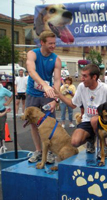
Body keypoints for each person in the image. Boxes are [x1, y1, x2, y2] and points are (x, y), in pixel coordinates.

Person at [55, 64, 107, 156]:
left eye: (85, 76)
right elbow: (73, 105)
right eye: (82, 75)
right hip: (86, 120)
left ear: (94, 77)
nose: (81, 78)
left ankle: (103, 146)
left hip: (102, 122)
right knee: (75, 142)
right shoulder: (81, 86)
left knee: (94, 120)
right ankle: (91, 139)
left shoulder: (105, 89)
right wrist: (59, 95)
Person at [26, 30, 62, 163]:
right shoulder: (32, 54)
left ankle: (51, 152)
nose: (53, 46)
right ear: (42, 42)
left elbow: (57, 79)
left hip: (48, 95)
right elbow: (31, 70)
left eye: (54, 43)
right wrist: (44, 85)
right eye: (50, 43)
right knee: (34, 124)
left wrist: (54, 95)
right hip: (33, 93)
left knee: (49, 124)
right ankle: (38, 151)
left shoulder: (56, 59)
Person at [0, 76, 13, 150]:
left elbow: (11, 95)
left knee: (1, 129)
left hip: (2, 110)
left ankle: (3, 144)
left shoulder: (3, 90)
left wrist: (8, 102)